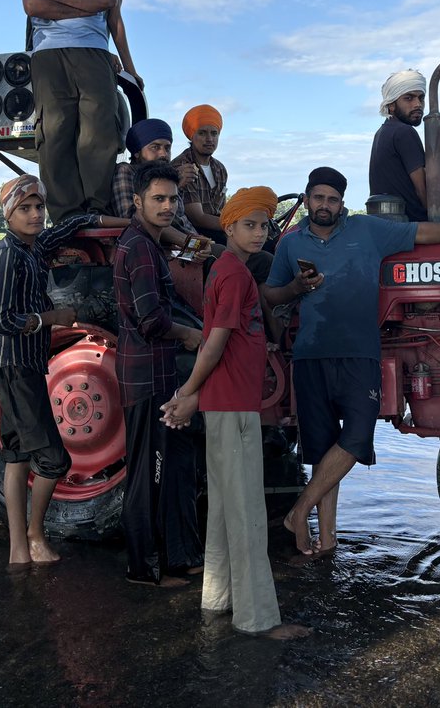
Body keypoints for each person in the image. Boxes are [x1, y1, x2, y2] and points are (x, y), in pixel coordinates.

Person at [264, 167, 440, 559]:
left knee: (356, 438)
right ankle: (328, 539)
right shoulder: (290, 244)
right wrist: (295, 287)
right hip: (312, 354)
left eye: (332, 199)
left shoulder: (366, 229)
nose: (325, 205)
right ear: (307, 199)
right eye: (318, 198)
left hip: (360, 353)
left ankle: (299, 511)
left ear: (342, 202)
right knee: (321, 449)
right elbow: (271, 295)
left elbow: (422, 233)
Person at [161, 187, 311, 639]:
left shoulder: (230, 271)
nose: (259, 232)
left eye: (264, 225)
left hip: (228, 403)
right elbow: (215, 344)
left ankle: (219, 598)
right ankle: (257, 618)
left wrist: (194, 395)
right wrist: (188, 391)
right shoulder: (234, 275)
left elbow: (225, 342)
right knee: (247, 513)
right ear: (228, 227)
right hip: (234, 406)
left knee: (226, 510)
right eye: (249, 225)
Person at [0, 174, 108, 565]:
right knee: (55, 460)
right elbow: (0, 320)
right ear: (8, 215)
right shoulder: (8, 255)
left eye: (39, 207)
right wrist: (51, 318)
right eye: (25, 208)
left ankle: (18, 550)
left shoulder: (34, 247)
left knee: (17, 456)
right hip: (14, 366)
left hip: (22, 366)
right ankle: (35, 536)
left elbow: (70, 227)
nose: (35, 214)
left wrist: (114, 220)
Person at [114, 161, 205, 586]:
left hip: (160, 374)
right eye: (158, 199)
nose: (167, 206)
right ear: (138, 201)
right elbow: (150, 320)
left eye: (173, 198)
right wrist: (190, 334)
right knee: (148, 474)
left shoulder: (149, 244)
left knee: (172, 467)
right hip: (146, 377)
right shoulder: (139, 247)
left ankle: (177, 558)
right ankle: (143, 569)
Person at [21, 0, 120, 223]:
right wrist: (86, 3)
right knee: (55, 131)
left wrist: (52, 3)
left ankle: (96, 210)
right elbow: (32, 6)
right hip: (48, 53)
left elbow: (108, 0)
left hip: (93, 49)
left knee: (99, 130)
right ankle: (66, 217)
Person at [107, 118, 212, 257]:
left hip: (187, 245)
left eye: (167, 148)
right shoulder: (126, 172)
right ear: (137, 152)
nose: (163, 154)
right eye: (155, 147)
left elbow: (179, 219)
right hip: (164, 248)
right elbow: (135, 220)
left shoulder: (168, 175)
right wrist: (192, 245)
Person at [369, 69, 429, 222]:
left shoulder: (382, 132)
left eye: (421, 98)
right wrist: (436, 220)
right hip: (411, 225)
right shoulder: (404, 132)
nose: (418, 104)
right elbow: (422, 190)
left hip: (386, 224)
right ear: (391, 105)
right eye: (408, 98)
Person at [174, 104, 228, 245]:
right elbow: (198, 218)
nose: (209, 139)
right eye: (202, 133)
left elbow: (222, 210)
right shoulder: (183, 167)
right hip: (195, 234)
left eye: (214, 133)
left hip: (221, 228)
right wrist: (235, 226)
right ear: (192, 136)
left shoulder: (220, 169)